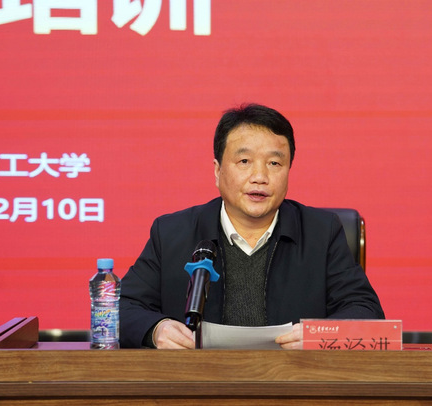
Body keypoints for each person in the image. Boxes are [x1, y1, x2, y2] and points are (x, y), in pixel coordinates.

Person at [119, 103, 385, 349]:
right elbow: (122, 308)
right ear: (217, 171)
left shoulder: (321, 233)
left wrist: (319, 334)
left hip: (293, 379)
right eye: (244, 161)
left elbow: (366, 311)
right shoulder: (171, 233)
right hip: (198, 380)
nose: (260, 177)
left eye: (274, 163)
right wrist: (156, 329)